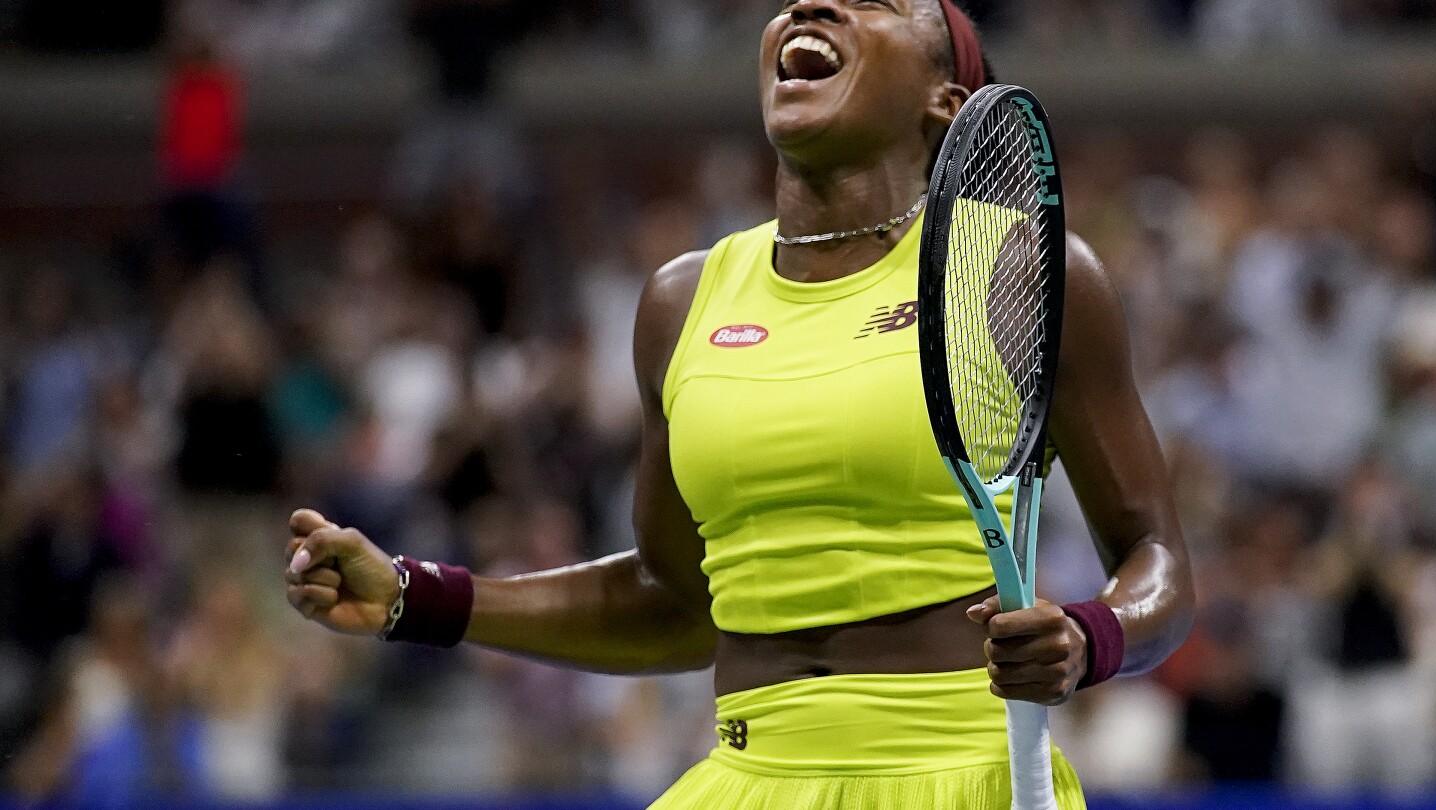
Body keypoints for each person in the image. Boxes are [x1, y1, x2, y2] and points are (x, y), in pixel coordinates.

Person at [284, 1, 1193, 806]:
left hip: (962, 772)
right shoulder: (682, 303)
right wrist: (418, 596)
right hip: (743, 774)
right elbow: (676, 602)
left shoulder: (1024, 269)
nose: (810, 6)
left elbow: (1158, 562)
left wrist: (1089, 637)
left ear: (944, 99)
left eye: (871, 1)